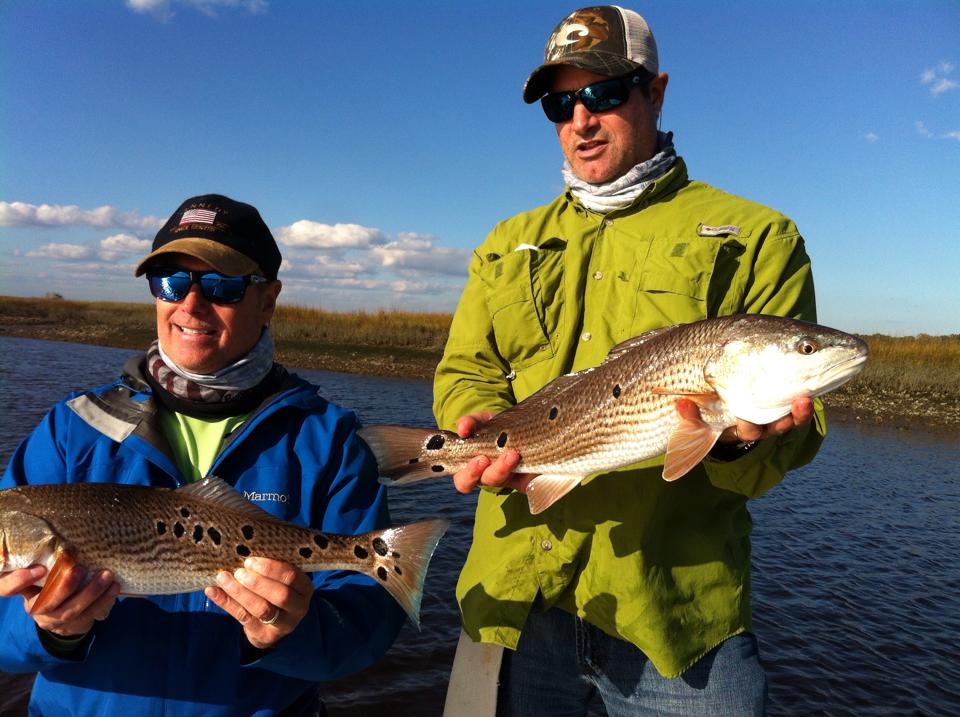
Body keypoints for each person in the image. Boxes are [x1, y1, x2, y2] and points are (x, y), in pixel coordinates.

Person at [435, 6, 825, 716]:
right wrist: (480, 419)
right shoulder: (506, 241)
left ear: (656, 91)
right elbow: (466, 369)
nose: (581, 118)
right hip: (517, 592)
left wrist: (740, 440)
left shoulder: (759, 236)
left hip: (676, 616)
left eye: (605, 92)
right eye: (561, 102)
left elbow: (789, 441)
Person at [0, 194, 406, 716]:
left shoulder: (328, 441)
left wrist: (292, 632)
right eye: (170, 281)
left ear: (269, 299)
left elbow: (368, 625)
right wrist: (47, 631)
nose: (191, 305)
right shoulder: (71, 429)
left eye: (223, 286)